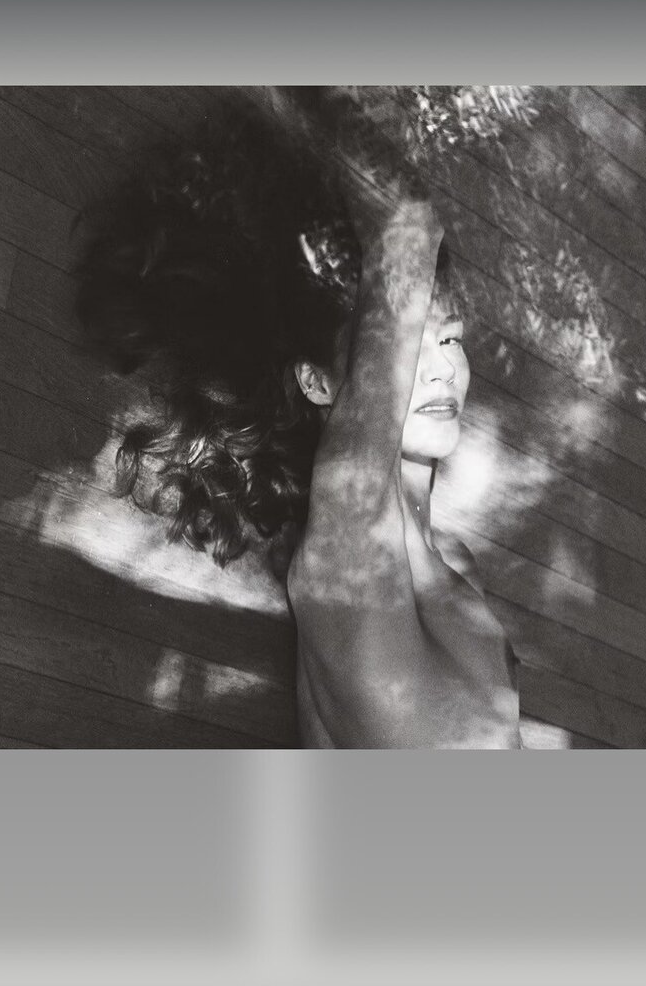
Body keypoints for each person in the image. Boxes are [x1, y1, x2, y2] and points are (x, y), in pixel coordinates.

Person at [74, 88, 521, 748]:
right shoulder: (348, 551)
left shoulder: (448, 560)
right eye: (409, 347)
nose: (439, 370)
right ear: (318, 382)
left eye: (450, 339)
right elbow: (410, 228)